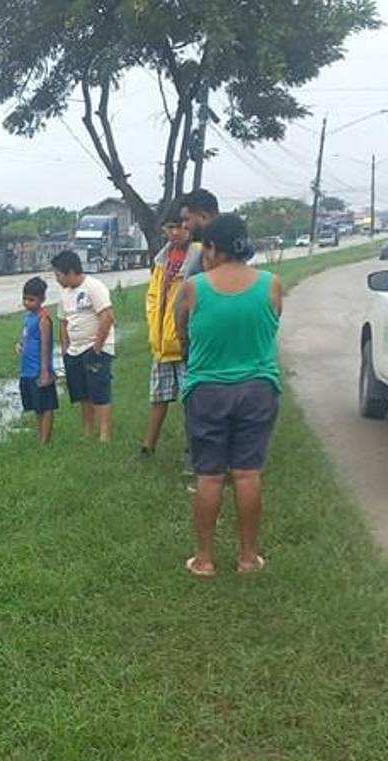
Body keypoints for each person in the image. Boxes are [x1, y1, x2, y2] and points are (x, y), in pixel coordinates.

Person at [177, 213, 283, 577]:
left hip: (206, 390)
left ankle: (204, 560)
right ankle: (248, 557)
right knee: (247, 474)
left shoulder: (194, 288)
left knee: (208, 477)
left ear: (211, 247)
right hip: (257, 389)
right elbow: (271, 327)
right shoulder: (271, 284)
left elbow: (183, 335)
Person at [141, 202, 201, 457]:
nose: (175, 232)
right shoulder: (162, 260)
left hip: (186, 344)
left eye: (179, 226)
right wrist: (154, 329)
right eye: (170, 227)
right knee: (158, 398)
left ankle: (193, 450)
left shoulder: (199, 255)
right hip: (162, 345)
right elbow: (153, 297)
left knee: (193, 404)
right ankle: (147, 448)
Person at [51, 250, 116, 443]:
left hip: (95, 347)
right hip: (74, 350)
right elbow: (63, 322)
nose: (57, 279)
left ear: (70, 271)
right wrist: (65, 350)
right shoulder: (64, 293)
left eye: (58, 275)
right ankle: (87, 431)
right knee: (82, 393)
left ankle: (105, 434)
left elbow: (107, 316)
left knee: (99, 391)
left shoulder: (94, 287)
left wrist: (96, 347)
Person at [15, 276, 57, 446]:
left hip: (39, 370)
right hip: (27, 370)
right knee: (36, 407)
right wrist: (19, 345)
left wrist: (45, 371)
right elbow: (25, 337)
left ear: (42, 299)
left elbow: (46, 346)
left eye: (31, 299)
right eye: (24, 298)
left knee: (46, 407)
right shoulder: (28, 317)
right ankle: (40, 435)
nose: (27, 303)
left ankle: (44, 441)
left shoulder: (43, 319)